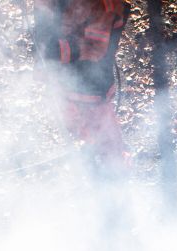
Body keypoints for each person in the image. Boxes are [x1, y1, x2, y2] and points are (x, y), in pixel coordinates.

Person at [34, 0, 128, 166]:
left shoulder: (104, 7)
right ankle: (93, 162)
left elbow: (94, 49)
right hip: (65, 82)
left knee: (106, 144)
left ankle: (115, 175)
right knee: (77, 128)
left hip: (92, 90)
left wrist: (51, 53)